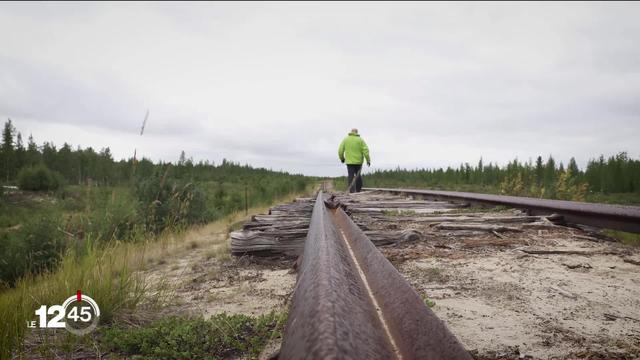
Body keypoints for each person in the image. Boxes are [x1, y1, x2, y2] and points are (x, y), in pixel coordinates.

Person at [338, 128, 370, 193]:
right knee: (358, 176)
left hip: (349, 162)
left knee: (350, 176)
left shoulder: (346, 139)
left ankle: (351, 192)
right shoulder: (360, 140)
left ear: (351, 132)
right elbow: (366, 151)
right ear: (357, 132)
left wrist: (342, 158)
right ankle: (359, 191)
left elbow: (340, 150)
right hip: (359, 162)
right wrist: (368, 160)